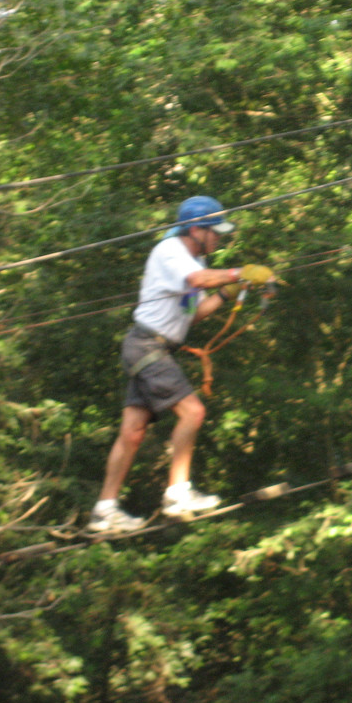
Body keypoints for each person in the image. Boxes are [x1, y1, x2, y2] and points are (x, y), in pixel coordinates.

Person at [87, 196, 275, 533]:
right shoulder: (172, 251)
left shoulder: (190, 260)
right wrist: (240, 272)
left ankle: (104, 509)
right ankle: (178, 493)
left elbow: (195, 312)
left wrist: (232, 292)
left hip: (150, 348)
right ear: (195, 229)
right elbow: (198, 281)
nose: (219, 238)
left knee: (132, 433)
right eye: (214, 232)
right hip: (148, 346)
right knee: (193, 412)